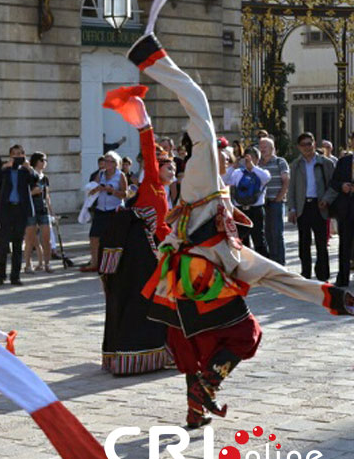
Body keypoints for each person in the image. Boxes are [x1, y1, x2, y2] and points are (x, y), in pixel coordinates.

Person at [128, 29, 354, 430]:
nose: (226, 154)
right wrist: (155, 58)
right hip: (197, 278)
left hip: (185, 283)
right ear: (201, 147)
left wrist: (329, 296)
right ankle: (205, 391)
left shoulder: (209, 196)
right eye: (220, 148)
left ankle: (196, 408)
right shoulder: (201, 175)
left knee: (202, 344)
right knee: (244, 334)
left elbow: (266, 270)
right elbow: (197, 101)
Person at [99, 85, 174, 374]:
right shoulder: (152, 183)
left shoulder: (165, 193)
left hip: (150, 246)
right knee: (146, 299)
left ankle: (159, 351)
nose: (171, 171)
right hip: (139, 252)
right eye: (167, 167)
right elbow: (149, 155)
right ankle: (140, 353)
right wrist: (145, 126)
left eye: (171, 168)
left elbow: (162, 224)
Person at [288, 132, 336, 281]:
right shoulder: (296, 165)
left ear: (315, 144)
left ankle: (323, 275)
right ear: (299, 147)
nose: (307, 147)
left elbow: (333, 186)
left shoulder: (325, 163)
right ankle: (306, 273)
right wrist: (292, 209)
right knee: (304, 243)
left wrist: (326, 199)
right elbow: (292, 189)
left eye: (309, 144)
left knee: (321, 243)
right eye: (303, 145)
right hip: (303, 207)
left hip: (320, 206)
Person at [0, 145, 39, 286]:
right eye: (14, 154)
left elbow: (35, 180)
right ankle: (1, 275)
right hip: (7, 210)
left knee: (17, 244)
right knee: (3, 244)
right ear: (10, 156)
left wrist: (29, 168)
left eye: (20, 154)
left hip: (20, 210)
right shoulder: (6, 169)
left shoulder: (25, 171)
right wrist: (5, 166)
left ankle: (15, 276)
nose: (17, 156)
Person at [83, 150, 127, 272]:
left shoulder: (120, 175)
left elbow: (125, 194)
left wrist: (112, 191)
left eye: (109, 161)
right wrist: (98, 188)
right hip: (101, 209)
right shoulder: (101, 174)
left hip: (114, 210)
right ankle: (95, 262)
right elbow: (92, 189)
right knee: (94, 236)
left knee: (113, 237)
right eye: (105, 160)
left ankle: (114, 263)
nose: (106, 163)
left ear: (115, 163)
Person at [229, 147, 270, 256]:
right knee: (242, 241)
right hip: (241, 210)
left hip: (256, 210)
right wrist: (234, 164)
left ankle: (264, 267)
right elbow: (227, 180)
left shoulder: (262, 172)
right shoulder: (237, 172)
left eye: (252, 157)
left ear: (257, 159)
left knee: (259, 240)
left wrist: (252, 167)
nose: (248, 160)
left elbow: (266, 178)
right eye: (247, 158)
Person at [259, 136, 289, 265]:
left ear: (272, 148)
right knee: (266, 234)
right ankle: (271, 262)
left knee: (276, 233)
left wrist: (279, 198)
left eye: (265, 146)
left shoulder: (280, 162)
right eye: (261, 146)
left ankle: (280, 263)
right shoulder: (258, 164)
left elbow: (286, 180)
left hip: (276, 202)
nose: (262, 149)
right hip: (262, 204)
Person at [24, 152, 53, 273]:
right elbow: (24, 194)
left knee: (46, 238)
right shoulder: (29, 176)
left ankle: (47, 263)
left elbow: (47, 196)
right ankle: (27, 265)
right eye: (42, 160)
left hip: (43, 209)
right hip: (31, 209)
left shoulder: (45, 178)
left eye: (46, 160)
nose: (44, 162)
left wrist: (52, 212)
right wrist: (33, 192)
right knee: (30, 239)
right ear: (36, 161)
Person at [329, 142, 354, 286]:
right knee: (345, 244)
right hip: (346, 209)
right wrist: (342, 186)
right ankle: (343, 276)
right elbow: (333, 182)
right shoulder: (344, 161)